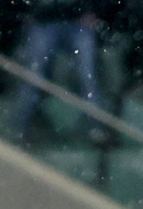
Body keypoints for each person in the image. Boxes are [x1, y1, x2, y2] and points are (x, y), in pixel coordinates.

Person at [11, 0, 103, 143]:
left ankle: (95, 127)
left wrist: (96, 12)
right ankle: (20, 128)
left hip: (76, 21)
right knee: (32, 75)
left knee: (87, 76)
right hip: (43, 22)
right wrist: (25, 11)